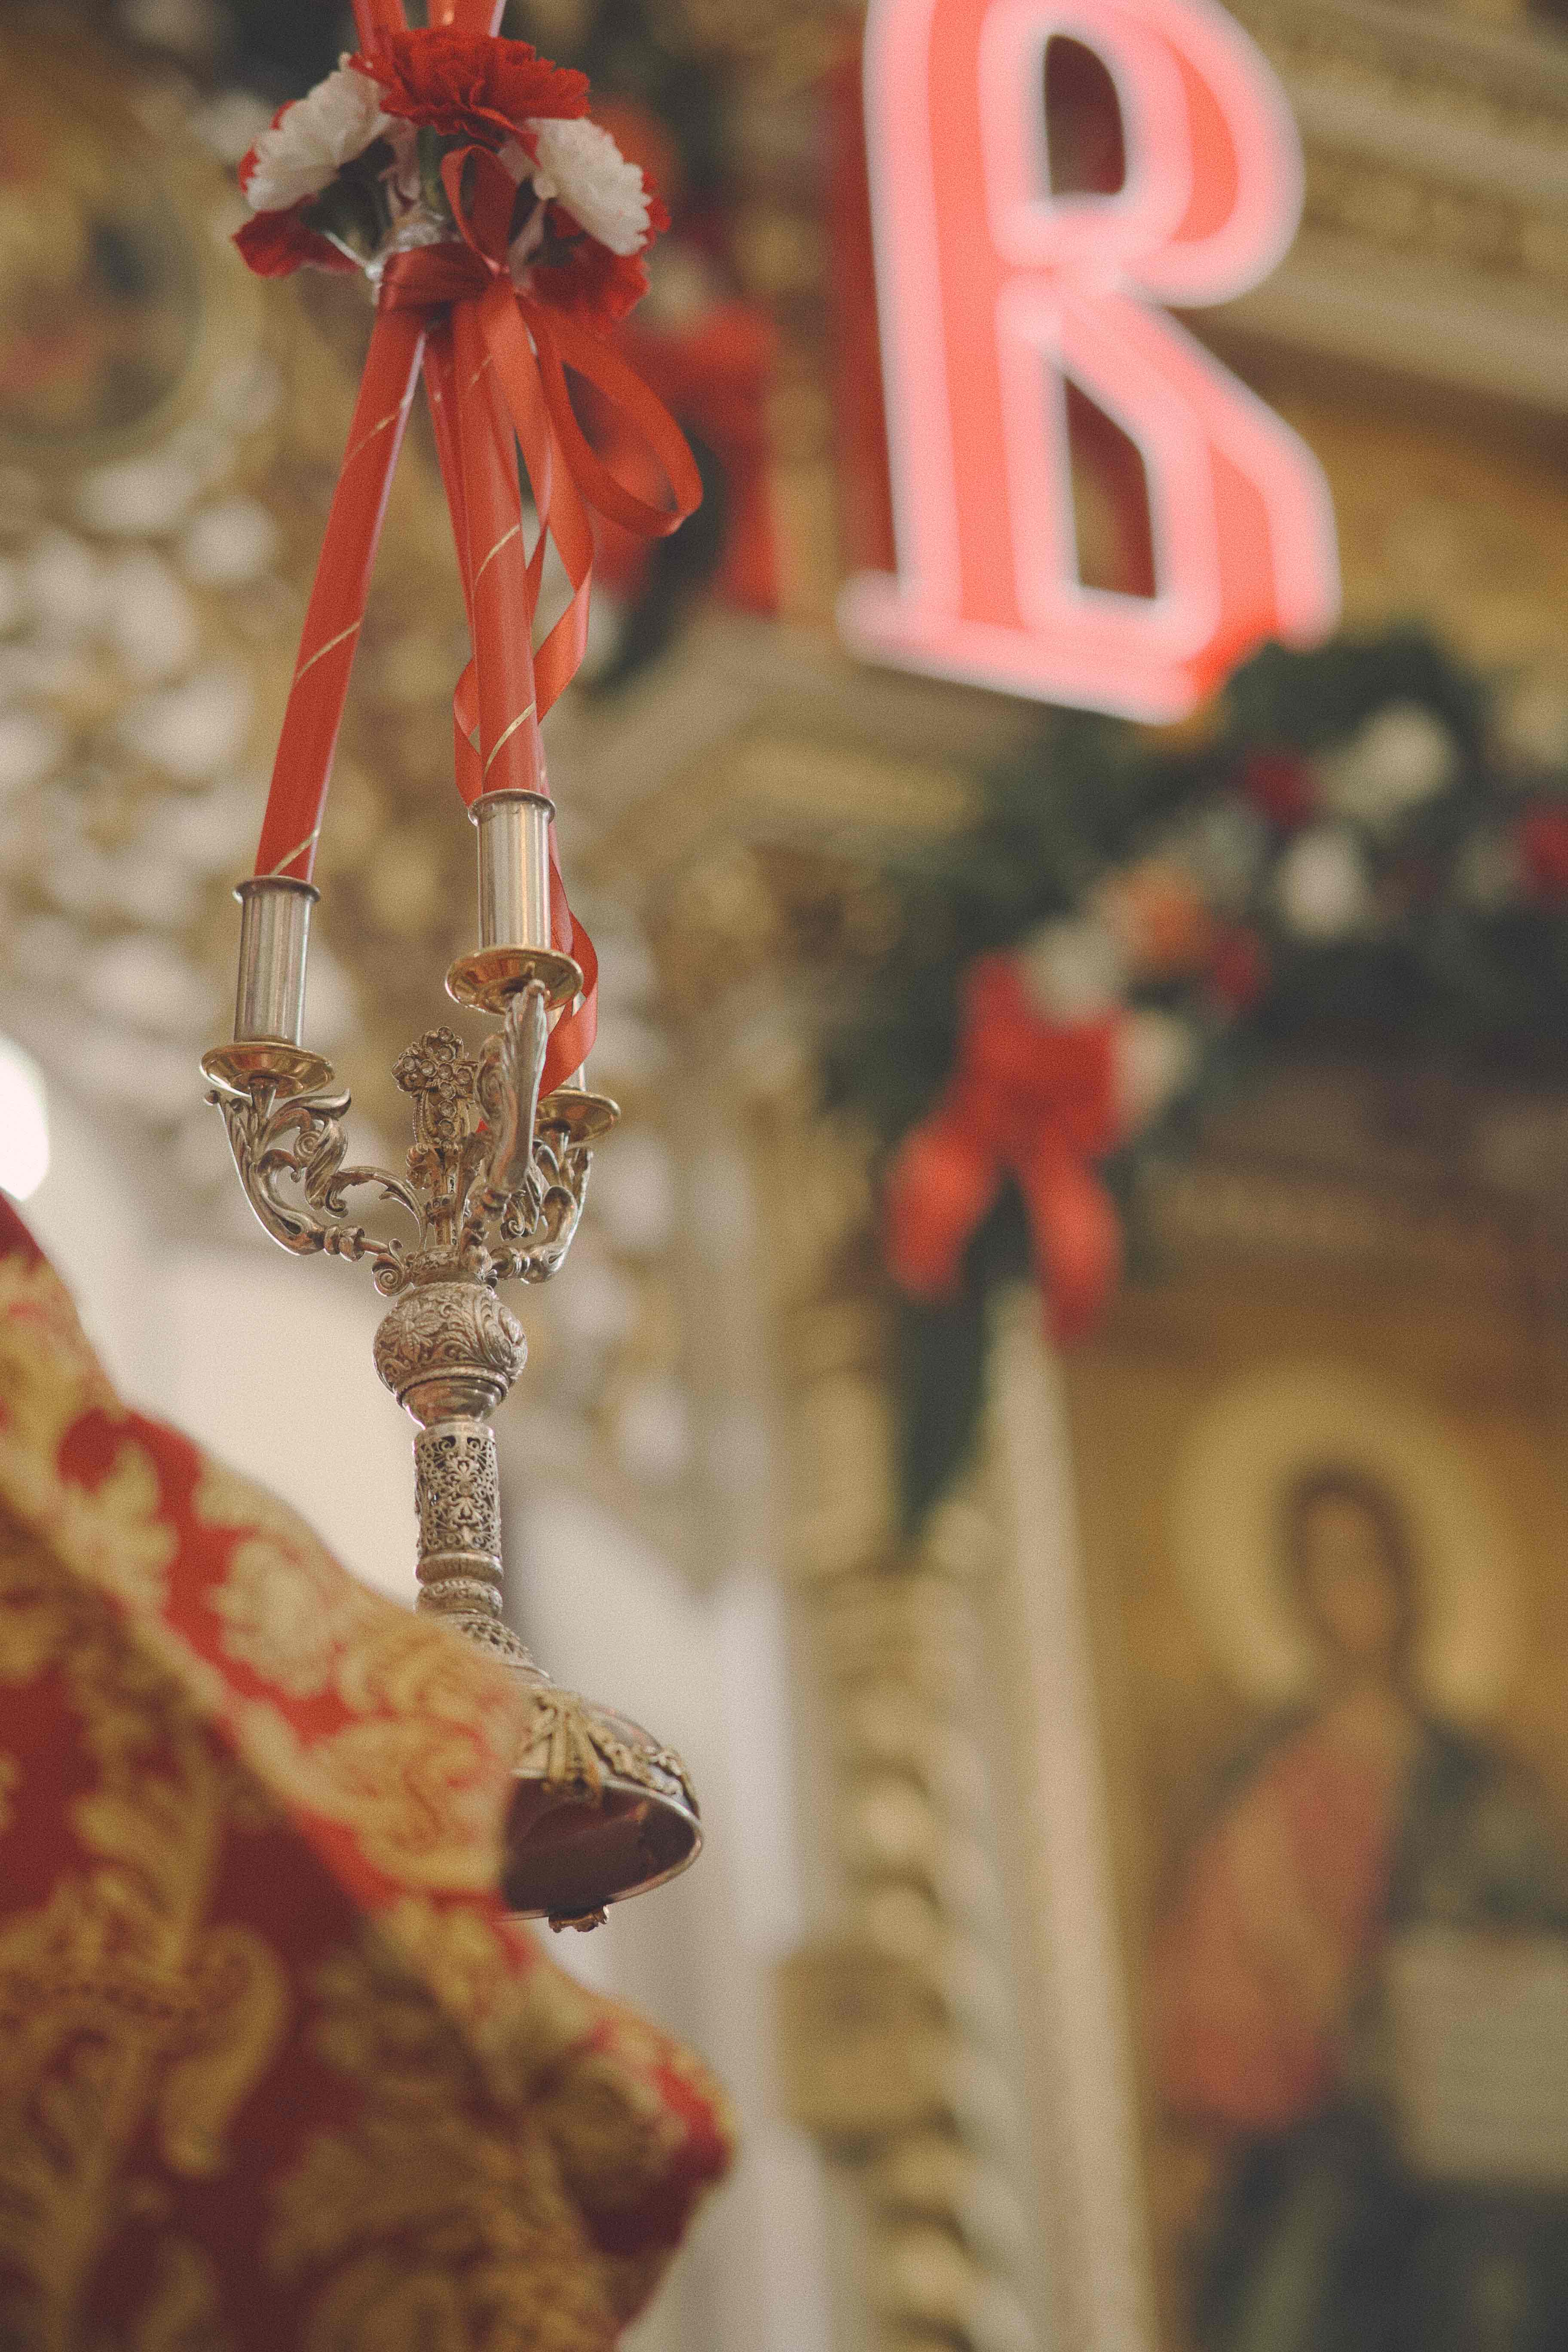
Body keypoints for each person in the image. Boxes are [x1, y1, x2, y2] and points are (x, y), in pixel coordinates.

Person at [1152, 1466, 1568, 2352]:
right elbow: (1212, 2006)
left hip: (1487, 2159)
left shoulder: (1482, 1787)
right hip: (1324, 2148)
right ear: (1297, 1591)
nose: (1353, 1593)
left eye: (1369, 1563)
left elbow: (1539, 1969)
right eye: (1327, 1568)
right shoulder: (1262, 1791)